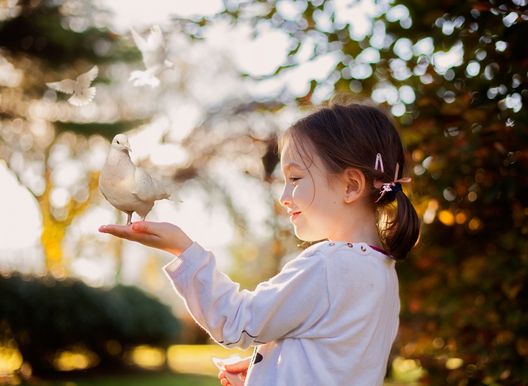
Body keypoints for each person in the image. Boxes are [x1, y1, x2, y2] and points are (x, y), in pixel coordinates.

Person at [98, 101, 420, 386]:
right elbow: (333, 362)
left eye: (295, 179)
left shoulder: (328, 265)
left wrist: (183, 249)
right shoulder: (382, 272)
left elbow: (237, 321)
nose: (283, 197)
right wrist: (269, 368)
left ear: (351, 185)